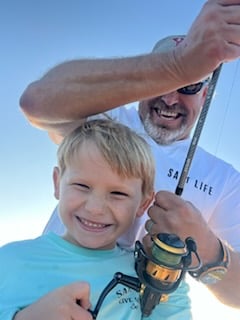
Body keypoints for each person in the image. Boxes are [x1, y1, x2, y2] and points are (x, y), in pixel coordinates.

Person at [19, 0, 240, 311]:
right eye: (161, 82)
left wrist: (205, 246)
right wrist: (178, 66)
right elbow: (37, 102)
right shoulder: (102, 119)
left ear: (206, 94)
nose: (169, 96)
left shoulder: (226, 180)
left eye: (188, 86)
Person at [0, 119, 197, 320]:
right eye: (81, 186)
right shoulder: (7, 260)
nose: (94, 208)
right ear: (58, 183)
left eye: (118, 193)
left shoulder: (156, 280)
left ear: (143, 204)